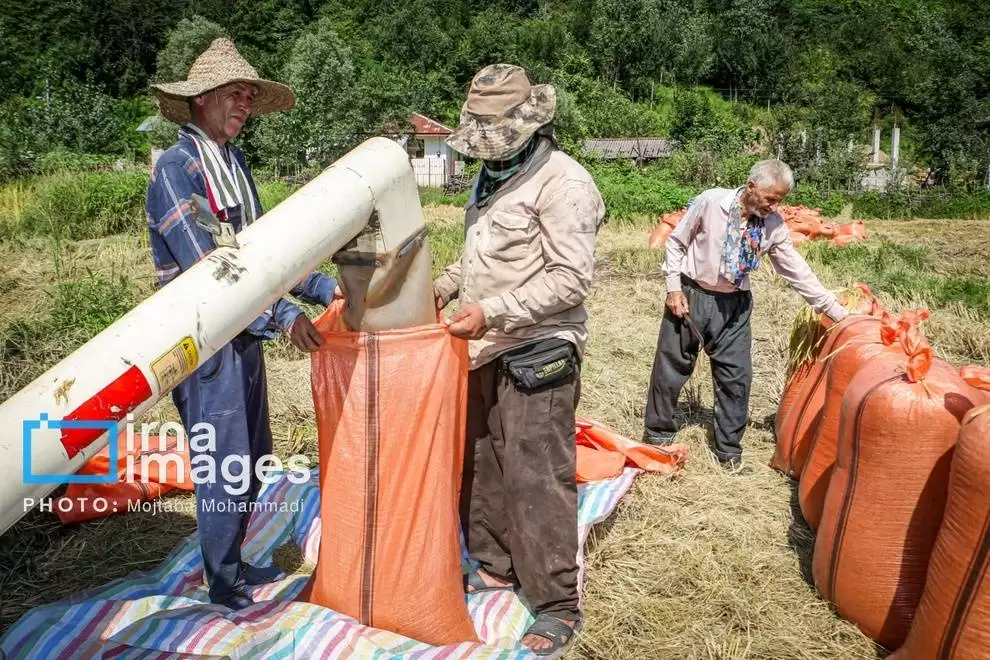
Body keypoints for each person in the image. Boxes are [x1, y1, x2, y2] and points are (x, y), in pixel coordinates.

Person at [146, 38, 340, 609]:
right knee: (223, 461)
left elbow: (264, 250)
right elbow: (211, 264)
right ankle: (222, 580)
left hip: (243, 334)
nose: (245, 105)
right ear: (202, 99)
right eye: (236, 94)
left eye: (251, 96)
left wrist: (326, 286)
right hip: (204, 339)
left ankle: (233, 562)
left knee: (252, 456)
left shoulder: (232, 166)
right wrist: (282, 315)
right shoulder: (177, 171)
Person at [434, 63, 605, 657]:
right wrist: (443, 286)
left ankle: (557, 603)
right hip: (485, 342)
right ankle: (495, 564)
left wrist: (494, 310)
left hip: (542, 343)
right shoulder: (490, 175)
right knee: (481, 460)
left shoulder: (565, 184)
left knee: (535, 470)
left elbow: (570, 279)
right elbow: (478, 259)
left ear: (528, 126)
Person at [643, 160, 848, 471]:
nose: (775, 205)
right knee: (671, 367)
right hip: (691, 293)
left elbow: (797, 272)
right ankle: (658, 435)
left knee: (736, 376)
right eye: (771, 198)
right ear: (752, 187)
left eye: (780, 199)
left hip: (735, 305)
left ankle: (728, 450)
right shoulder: (711, 202)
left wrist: (836, 312)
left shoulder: (773, 226)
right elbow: (676, 242)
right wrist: (673, 288)